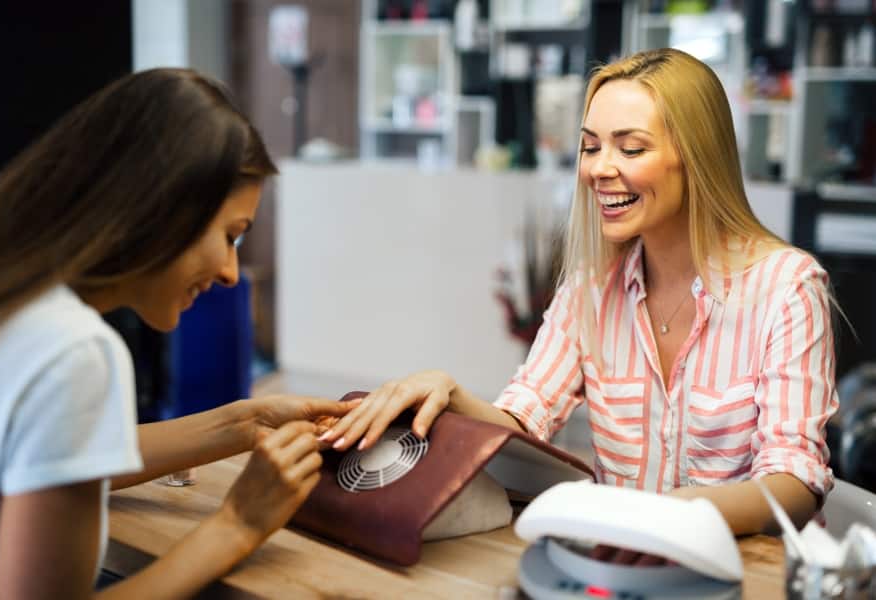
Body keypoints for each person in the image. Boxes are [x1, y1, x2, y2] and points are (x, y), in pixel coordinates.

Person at [318, 48, 839, 546]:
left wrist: (659, 516)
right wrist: (448, 393)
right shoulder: (590, 289)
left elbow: (794, 482)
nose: (597, 169)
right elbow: (525, 419)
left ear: (698, 159)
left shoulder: (787, 289)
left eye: (630, 148)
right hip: (615, 564)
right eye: (590, 147)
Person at [0, 68, 356, 599]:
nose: (228, 271)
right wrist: (238, 524)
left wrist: (244, 422)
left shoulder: (5, 299)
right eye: (230, 236)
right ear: (162, 206)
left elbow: (58, 460)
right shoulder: (74, 352)